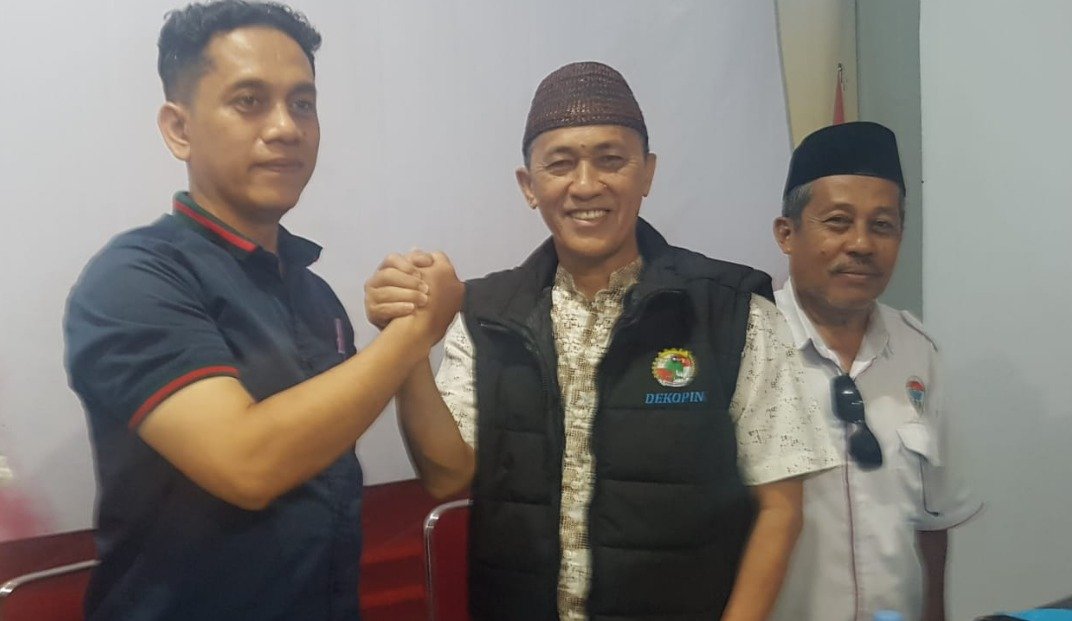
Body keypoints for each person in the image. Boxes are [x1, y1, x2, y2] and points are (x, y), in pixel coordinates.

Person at [364, 61, 839, 621]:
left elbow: (780, 507)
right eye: (560, 164)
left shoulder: (731, 310)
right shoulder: (488, 313)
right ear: (529, 186)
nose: (586, 185)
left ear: (647, 173)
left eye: (611, 160)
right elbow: (447, 476)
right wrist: (410, 341)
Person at [63, 2, 461, 619]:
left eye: (302, 103)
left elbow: (447, 478)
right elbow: (248, 465)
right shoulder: (134, 278)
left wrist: (406, 328)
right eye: (249, 101)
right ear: (179, 128)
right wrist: (411, 337)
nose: (285, 128)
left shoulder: (314, 294)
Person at [768, 122, 981, 621]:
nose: (862, 244)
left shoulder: (918, 353)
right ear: (787, 234)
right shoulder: (745, 344)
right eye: (838, 222)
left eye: (882, 226)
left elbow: (934, 521)